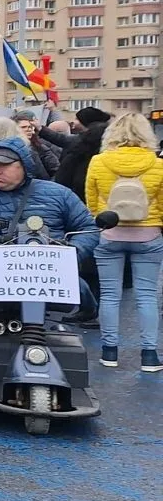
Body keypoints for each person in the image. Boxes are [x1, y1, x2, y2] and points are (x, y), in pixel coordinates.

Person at [0, 137, 99, 303]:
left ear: (24, 165)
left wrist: (73, 252)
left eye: (4, 165)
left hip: (52, 278)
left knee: (82, 299)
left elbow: (87, 229)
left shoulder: (59, 194)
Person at [84, 113, 163, 371]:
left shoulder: (98, 161)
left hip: (109, 234)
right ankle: (149, 355)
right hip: (148, 235)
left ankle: (109, 352)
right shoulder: (157, 164)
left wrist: (103, 220)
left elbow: (91, 200)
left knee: (109, 295)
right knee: (147, 296)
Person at [53, 106, 113, 202]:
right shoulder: (109, 149)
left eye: (77, 119)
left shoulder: (79, 147)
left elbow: (63, 178)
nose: (74, 122)